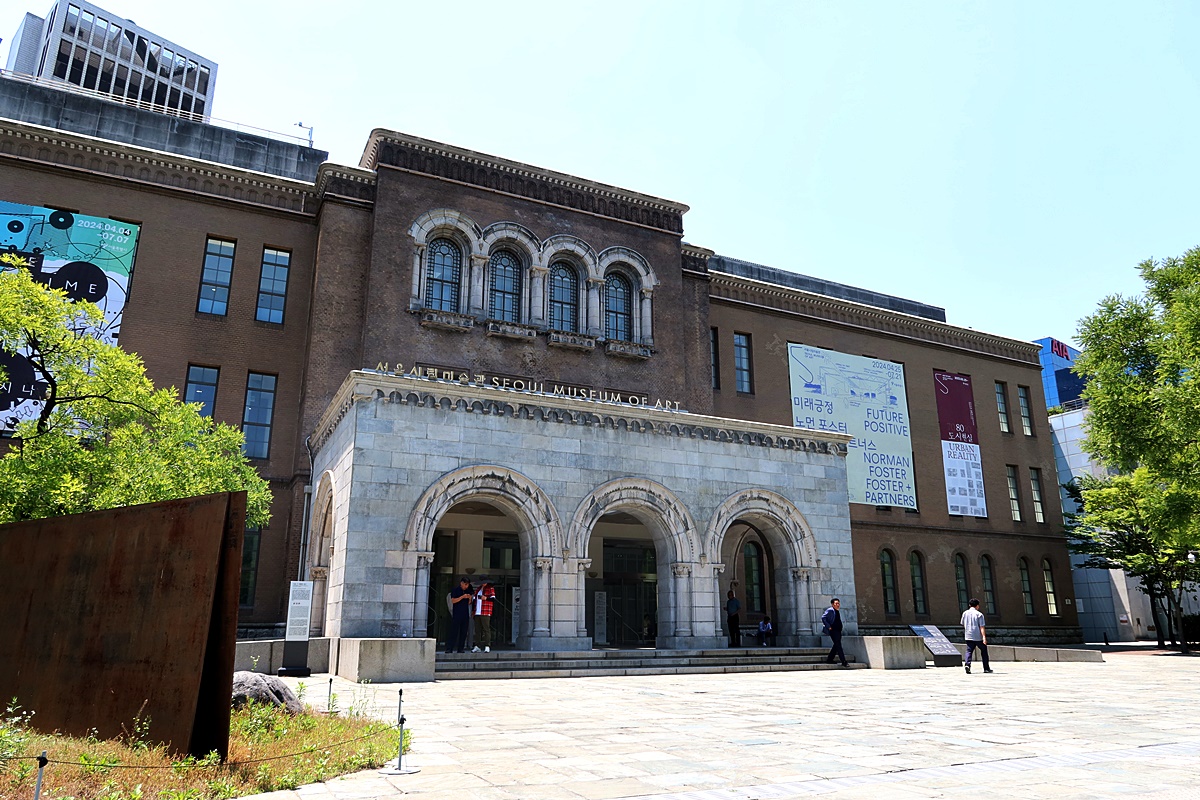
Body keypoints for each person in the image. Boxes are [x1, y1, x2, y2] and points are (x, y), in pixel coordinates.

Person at [961, 597, 993, 674]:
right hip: (978, 636)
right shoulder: (979, 614)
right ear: (977, 606)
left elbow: (963, 623)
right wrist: (984, 637)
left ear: (969, 605)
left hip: (968, 635)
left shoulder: (965, 613)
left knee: (969, 651)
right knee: (984, 651)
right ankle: (986, 668)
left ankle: (967, 664)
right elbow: (981, 627)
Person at [447, 577, 473, 653]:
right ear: (461, 583)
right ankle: (450, 648)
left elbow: (469, 603)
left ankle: (461, 648)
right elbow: (453, 601)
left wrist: (469, 598)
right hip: (457, 613)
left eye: (467, 585)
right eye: (465, 584)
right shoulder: (455, 590)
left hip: (465, 614)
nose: (466, 586)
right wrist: (462, 597)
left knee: (464, 632)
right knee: (454, 631)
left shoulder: (468, 591)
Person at [821, 598, 848, 667]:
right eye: (836, 603)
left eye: (838, 603)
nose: (838, 605)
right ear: (832, 604)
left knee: (836, 645)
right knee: (838, 645)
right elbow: (823, 617)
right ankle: (844, 661)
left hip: (838, 630)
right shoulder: (830, 610)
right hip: (833, 630)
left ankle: (829, 659)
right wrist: (828, 626)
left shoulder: (837, 611)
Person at [471, 582, 497, 653]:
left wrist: (486, 598)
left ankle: (487, 645)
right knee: (477, 630)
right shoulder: (478, 588)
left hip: (485, 611)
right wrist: (473, 611)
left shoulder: (490, 588)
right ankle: (477, 645)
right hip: (477, 612)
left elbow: (493, 599)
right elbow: (474, 600)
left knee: (486, 629)